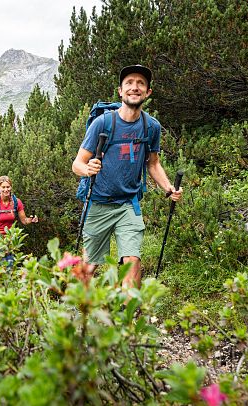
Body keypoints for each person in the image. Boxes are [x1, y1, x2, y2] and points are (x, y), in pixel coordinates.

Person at [72, 64, 182, 290]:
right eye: (129, 83)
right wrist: (88, 169)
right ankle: (79, 315)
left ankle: (131, 321)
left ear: (148, 92)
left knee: (132, 262)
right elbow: (77, 164)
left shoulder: (151, 127)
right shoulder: (102, 123)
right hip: (98, 203)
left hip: (128, 205)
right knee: (89, 267)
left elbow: (153, 164)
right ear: (120, 91)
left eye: (141, 83)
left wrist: (168, 187)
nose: (135, 87)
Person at [0, 176, 39, 266]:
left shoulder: (16, 202)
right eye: (3, 187)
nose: (6, 189)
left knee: (9, 265)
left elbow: (24, 220)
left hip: (9, 239)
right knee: (1, 266)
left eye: (8, 187)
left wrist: (32, 220)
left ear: (11, 187)